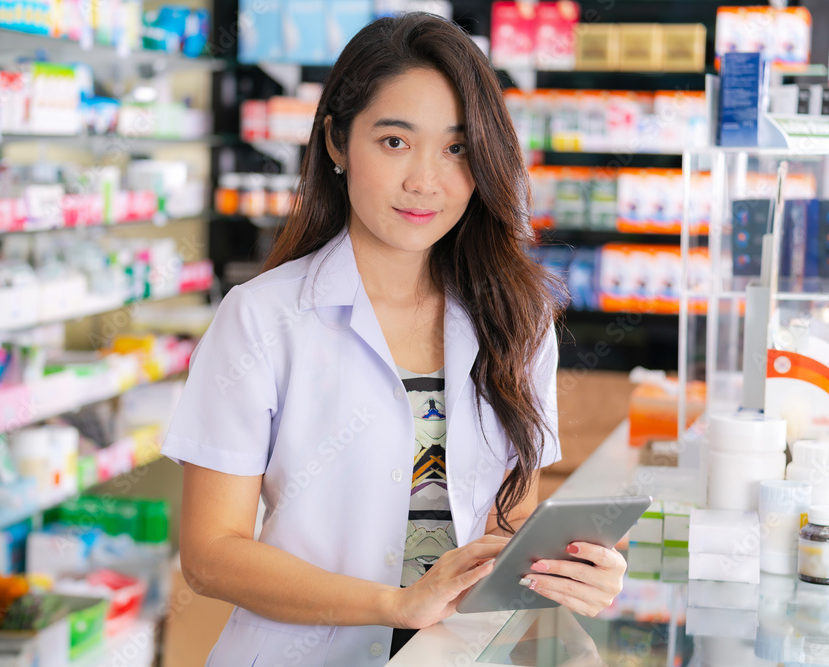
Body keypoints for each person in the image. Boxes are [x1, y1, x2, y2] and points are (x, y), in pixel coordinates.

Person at [161, 12, 627, 667]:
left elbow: (504, 528)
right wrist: (395, 603)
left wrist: (574, 571)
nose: (425, 181)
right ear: (336, 142)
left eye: (457, 148)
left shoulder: (517, 316)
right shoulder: (261, 318)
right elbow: (211, 554)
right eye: (394, 142)